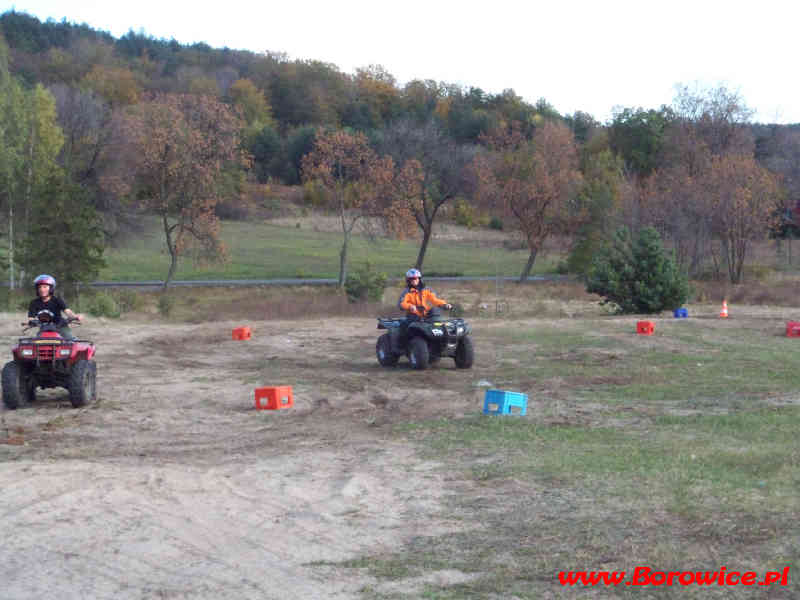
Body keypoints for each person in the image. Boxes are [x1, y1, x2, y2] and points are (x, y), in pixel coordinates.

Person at [27, 274, 84, 340]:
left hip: (60, 326)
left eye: (45, 287)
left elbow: (67, 311)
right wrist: (33, 322)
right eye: (39, 287)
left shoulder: (57, 300)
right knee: (37, 343)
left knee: (70, 341)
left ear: (51, 288)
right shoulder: (34, 303)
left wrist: (75, 316)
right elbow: (31, 317)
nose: (42, 289)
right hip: (44, 328)